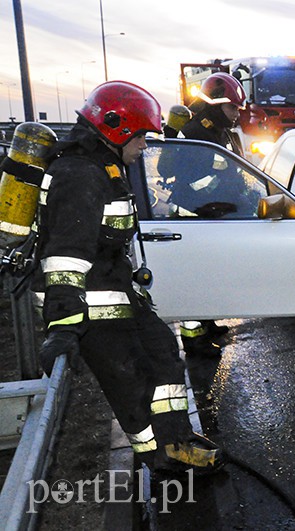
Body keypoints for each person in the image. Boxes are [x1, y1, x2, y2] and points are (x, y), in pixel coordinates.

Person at [33, 81, 226, 476]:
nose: (145, 147)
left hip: (116, 291)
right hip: (85, 306)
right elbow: (66, 255)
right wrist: (64, 326)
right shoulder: (79, 175)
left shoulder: (105, 166)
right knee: (130, 381)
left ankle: (176, 442)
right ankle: (156, 456)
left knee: (164, 358)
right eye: (141, 138)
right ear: (117, 129)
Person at [172, 72, 247, 357]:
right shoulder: (196, 132)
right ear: (217, 105)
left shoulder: (218, 130)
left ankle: (208, 323)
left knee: (208, 275)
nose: (236, 114)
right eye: (232, 108)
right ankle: (194, 341)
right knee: (193, 279)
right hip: (192, 215)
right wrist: (222, 190)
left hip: (211, 213)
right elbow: (191, 178)